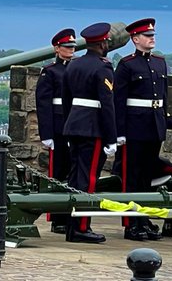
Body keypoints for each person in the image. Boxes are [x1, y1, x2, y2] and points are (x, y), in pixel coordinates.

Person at [59, 22, 117, 244]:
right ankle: (81, 227)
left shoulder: (73, 65)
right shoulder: (103, 67)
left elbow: (66, 100)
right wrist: (111, 138)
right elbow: (107, 105)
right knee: (89, 179)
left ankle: (71, 224)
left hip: (74, 125)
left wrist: (68, 124)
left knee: (75, 177)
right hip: (93, 129)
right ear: (103, 43)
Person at [113, 17, 169, 241]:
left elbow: (163, 97)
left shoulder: (159, 62)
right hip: (134, 128)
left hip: (153, 127)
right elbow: (119, 101)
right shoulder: (127, 65)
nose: (152, 38)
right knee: (132, 177)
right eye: (147, 36)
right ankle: (131, 223)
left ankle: (144, 219)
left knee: (147, 178)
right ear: (135, 39)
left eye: (153, 35)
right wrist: (120, 132)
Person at [36, 27, 77, 234]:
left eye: (72, 46)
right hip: (59, 128)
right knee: (58, 174)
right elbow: (43, 104)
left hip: (75, 126)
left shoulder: (77, 68)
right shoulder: (51, 71)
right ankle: (58, 218)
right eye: (66, 46)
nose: (71, 50)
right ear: (57, 48)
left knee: (75, 173)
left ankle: (72, 215)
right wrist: (47, 134)